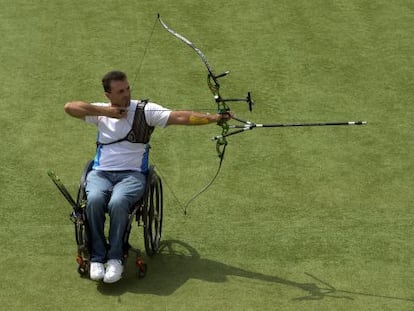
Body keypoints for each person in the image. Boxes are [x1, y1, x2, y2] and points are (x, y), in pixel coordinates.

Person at [64, 70, 230, 283]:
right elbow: (69, 107)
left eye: (127, 89)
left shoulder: (145, 110)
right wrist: (107, 112)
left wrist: (214, 118)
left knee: (119, 201)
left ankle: (115, 258)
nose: (126, 94)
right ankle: (97, 257)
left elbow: (180, 116)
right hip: (101, 173)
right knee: (94, 200)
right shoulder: (101, 110)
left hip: (132, 176)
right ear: (108, 95)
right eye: (120, 91)